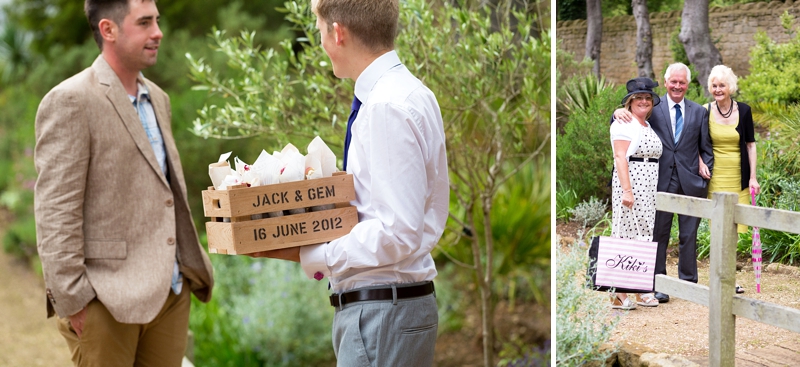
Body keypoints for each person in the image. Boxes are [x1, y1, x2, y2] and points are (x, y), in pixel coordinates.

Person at [249, 0, 449, 366]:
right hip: (393, 309)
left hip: (382, 315)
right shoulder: (411, 93)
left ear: (337, 32)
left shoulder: (386, 106)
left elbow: (397, 231)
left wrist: (311, 255)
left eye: (320, 31)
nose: (322, 43)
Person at [33, 1, 214, 365]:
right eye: (145, 22)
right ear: (108, 30)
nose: (158, 32)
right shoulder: (71, 100)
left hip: (171, 294)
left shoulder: (158, 99)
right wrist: (76, 301)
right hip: (106, 301)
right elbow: (55, 212)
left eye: (157, 21)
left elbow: (164, 193)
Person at [613, 63, 714, 303]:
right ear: (666, 82)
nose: (677, 86)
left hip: (691, 181)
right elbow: (628, 118)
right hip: (657, 181)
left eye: (682, 82)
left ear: (687, 85)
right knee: (658, 233)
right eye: (673, 81)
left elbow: (705, 146)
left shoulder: (699, 111)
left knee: (689, 234)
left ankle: (688, 284)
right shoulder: (652, 109)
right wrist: (616, 111)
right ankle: (656, 283)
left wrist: (703, 167)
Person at [700, 64, 760, 294]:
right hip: (716, 178)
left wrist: (753, 177)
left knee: (735, 231)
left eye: (722, 85)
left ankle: (729, 277)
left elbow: (751, 145)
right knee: (719, 230)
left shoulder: (744, 111)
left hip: (739, 177)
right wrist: (700, 163)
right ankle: (720, 278)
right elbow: (695, 142)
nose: (717, 89)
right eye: (714, 86)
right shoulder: (705, 111)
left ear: (730, 87)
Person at [608, 78, 663, 310]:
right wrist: (627, 191)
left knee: (643, 237)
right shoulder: (623, 122)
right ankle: (619, 293)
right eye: (638, 97)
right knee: (625, 234)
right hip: (630, 185)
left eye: (647, 97)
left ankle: (640, 289)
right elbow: (620, 157)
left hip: (648, 188)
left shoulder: (647, 125)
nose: (643, 101)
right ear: (630, 102)